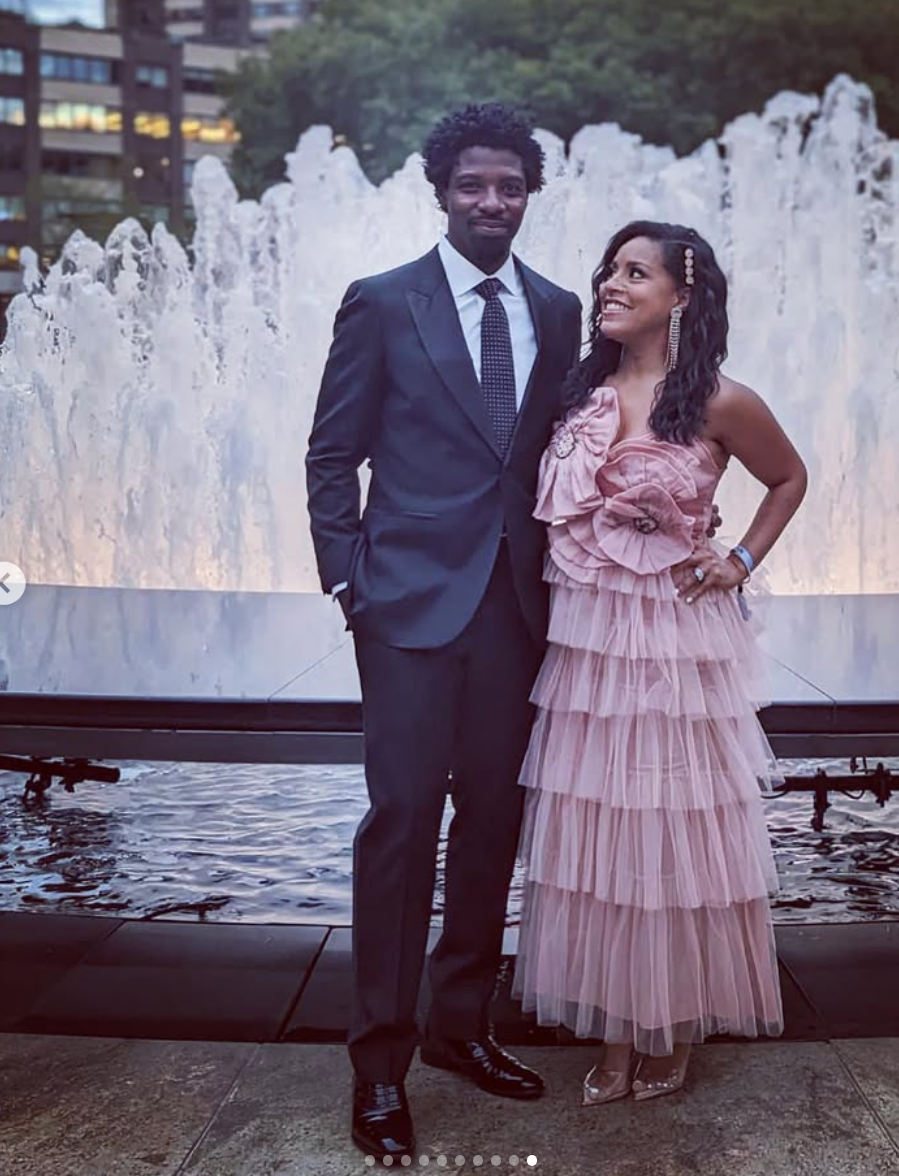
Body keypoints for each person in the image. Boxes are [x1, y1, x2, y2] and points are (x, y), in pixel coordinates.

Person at [305, 104, 582, 1160]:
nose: (490, 202)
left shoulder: (556, 311)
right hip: (407, 613)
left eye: (508, 185)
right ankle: (378, 1065)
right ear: (440, 189)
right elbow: (331, 456)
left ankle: (458, 1030)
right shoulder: (381, 304)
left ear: (528, 193)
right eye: (472, 184)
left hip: (519, 612)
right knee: (401, 828)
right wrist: (350, 584)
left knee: (492, 829)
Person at [512, 220, 807, 1104]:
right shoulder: (578, 395)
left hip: (678, 644)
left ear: (680, 297)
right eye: (608, 268)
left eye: (633, 273)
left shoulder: (719, 399)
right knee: (596, 831)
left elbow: (789, 478)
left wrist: (740, 559)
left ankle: (671, 1023)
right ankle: (612, 1028)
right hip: (589, 646)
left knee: (672, 825)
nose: (610, 283)